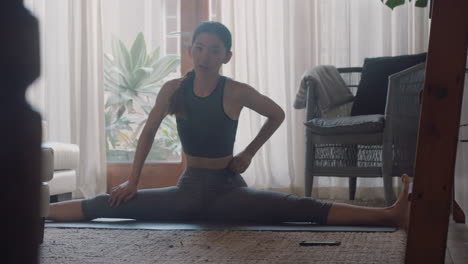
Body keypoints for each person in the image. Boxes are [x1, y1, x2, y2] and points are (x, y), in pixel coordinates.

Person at [47, 21, 410, 229]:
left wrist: (249, 153)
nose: (205, 56)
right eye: (199, 48)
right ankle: (34, 211)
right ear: (191, 50)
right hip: (185, 194)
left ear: (226, 56)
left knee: (300, 208)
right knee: (104, 203)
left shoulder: (236, 91)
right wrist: (135, 181)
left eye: (214, 50)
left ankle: (388, 214)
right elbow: (148, 132)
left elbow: (278, 114)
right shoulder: (173, 89)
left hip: (228, 194)